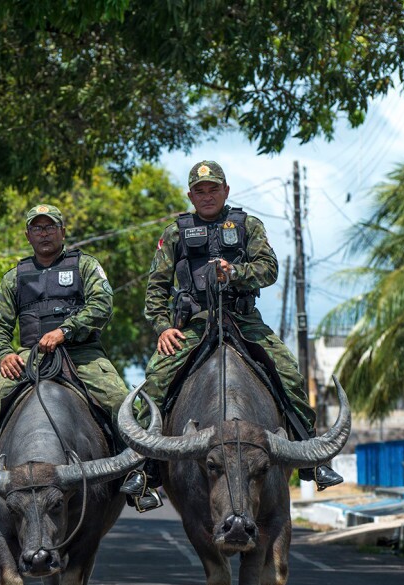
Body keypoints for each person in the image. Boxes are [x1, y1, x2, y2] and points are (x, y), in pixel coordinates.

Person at [120, 160, 343, 503]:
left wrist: (234, 272)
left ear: (226, 191)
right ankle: (144, 469)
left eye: (213, 189)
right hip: (194, 324)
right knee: (155, 382)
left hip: (243, 320)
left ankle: (313, 459)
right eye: (200, 191)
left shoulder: (247, 225)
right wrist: (164, 328)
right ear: (190, 195)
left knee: (289, 374)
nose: (207, 196)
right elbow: (156, 290)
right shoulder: (174, 233)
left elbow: (269, 269)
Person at [0, 203, 133, 509]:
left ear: (62, 231)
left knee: (118, 399)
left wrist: (66, 331)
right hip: (29, 355)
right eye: (37, 228)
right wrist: (4, 354)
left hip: (81, 352)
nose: (44, 233)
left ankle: (137, 475)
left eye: (50, 227)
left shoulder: (85, 266)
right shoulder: (14, 277)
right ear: (28, 234)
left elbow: (102, 305)